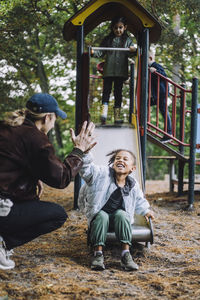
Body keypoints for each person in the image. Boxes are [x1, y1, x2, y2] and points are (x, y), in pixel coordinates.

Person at [0, 93, 96, 270]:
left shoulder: (8, 127)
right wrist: (78, 151)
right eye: (55, 118)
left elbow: (10, 161)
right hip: (3, 206)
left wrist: (32, 176)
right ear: (48, 117)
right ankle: (3, 242)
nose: (54, 123)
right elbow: (61, 178)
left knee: (34, 203)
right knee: (57, 214)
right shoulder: (36, 138)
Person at [78, 149, 154, 271]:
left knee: (122, 214)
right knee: (102, 215)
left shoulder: (133, 184)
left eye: (125, 159)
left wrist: (146, 211)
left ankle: (125, 255)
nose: (120, 160)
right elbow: (87, 171)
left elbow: (139, 200)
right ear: (113, 164)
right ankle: (98, 255)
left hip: (119, 221)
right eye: (118, 158)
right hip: (100, 220)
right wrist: (85, 154)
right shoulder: (102, 174)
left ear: (132, 169)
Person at [91, 16, 136, 125]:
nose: (118, 30)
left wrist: (134, 50)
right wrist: (93, 52)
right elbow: (101, 52)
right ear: (112, 28)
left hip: (120, 72)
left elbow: (132, 52)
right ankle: (104, 114)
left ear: (125, 27)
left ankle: (117, 117)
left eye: (120, 27)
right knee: (106, 91)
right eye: (115, 28)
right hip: (109, 71)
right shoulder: (108, 40)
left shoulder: (128, 41)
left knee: (118, 93)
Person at [148, 50, 172, 143]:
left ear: (150, 58)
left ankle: (169, 133)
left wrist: (156, 71)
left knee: (164, 112)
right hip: (156, 95)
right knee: (145, 104)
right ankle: (143, 123)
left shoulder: (155, 66)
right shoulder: (149, 67)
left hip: (162, 94)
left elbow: (164, 76)